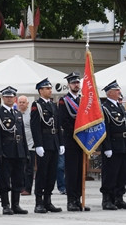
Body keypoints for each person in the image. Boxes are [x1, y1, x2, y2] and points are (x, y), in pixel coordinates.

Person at [0, 86, 28, 215]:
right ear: (3, 98)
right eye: (6, 97)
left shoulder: (17, 113)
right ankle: (5, 205)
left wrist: (25, 152)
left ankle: (16, 204)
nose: (9, 99)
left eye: (11, 97)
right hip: (6, 151)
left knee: (18, 178)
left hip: (18, 150)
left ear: (15, 98)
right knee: (5, 179)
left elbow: (22, 134)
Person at [57, 73, 90, 211]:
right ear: (69, 85)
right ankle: (71, 200)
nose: (76, 85)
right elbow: (63, 120)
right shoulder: (64, 101)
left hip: (82, 140)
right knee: (71, 171)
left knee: (80, 171)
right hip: (71, 139)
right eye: (73, 83)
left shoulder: (83, 100)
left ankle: (79, 199)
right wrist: (77, 131)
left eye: (77, 83)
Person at [30, 78, 64, 213]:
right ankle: (39, 202)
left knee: (52, 174)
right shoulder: (36, 105)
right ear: (40, 91)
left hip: (54, 142)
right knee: (42, 173)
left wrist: (61, 143)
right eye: (47, 88)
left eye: (50, 88)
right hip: (44, 143)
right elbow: (35, 126)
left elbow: (58, 125)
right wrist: (38, 144)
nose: (50, 91)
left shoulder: (53, 105)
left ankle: (48, 201)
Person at [100, 80, 126, 210]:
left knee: (122, 173)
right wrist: (107, 147)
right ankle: (107, 199)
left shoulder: (120, 107)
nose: (119, 92)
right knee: (110, 173)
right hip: (112, 145)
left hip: (123, 144)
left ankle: (119, 198)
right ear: (109, 93)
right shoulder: (105, 108)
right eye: (116, 90)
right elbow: (105, 129)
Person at [17, 95, 34, 195]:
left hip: (30, 145)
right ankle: (21, 187)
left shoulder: (31, 114)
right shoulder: (16, 114)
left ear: (27, 104)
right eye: (20, 102)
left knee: (29, 168)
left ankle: (28, 188)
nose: (21, 104)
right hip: (19, 145)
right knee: (19, 167)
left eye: (23, 102)